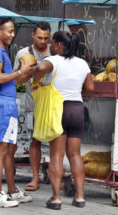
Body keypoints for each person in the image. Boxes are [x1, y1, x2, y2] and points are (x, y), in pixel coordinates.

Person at [33, 31, 94, 210]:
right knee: (75, 154)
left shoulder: (54, 60)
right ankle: (80, 197)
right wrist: (76, 93)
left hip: (58, 109)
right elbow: (90, 87)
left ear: (59, 44)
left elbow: (40, 68)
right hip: (77, 109)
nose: (50, 46)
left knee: (56, 155)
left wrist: (37, 81)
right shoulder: (83, 63)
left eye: (52, 43)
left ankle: (56, 198)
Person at [0, 9, 34, 207]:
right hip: (3, 104)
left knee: (9, 149)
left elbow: (9, 81)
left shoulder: (1, 50)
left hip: (8, 102)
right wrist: (19, 72)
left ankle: (12, 190)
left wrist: (26, 73)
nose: (13, 35)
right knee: (1, 149)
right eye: (10, 31)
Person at [13, 21, 51, 191]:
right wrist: (28, 71)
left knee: (58, 142)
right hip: (33, 105)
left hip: (53, 105)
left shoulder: (55, 52)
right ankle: (35, 178)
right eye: (40, 37)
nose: (43, 41)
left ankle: (57, 175)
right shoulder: (23, 53)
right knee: (34, 141)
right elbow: (16, 80)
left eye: (46, 38)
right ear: (33, 35)